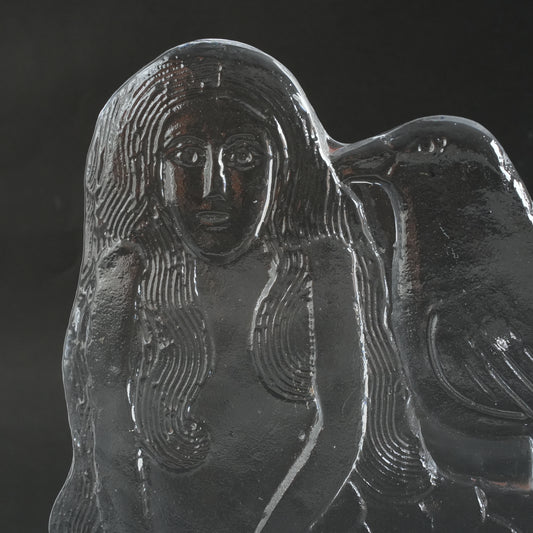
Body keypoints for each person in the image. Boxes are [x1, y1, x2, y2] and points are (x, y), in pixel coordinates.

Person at [50, 40, 428, 532]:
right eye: (187, 155)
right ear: (149, 170)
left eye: (244, 156)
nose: (215, 186)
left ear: (284, 168)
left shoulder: (324, 264)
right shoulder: (125, 275)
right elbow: (112, 448)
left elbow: (341, 430)